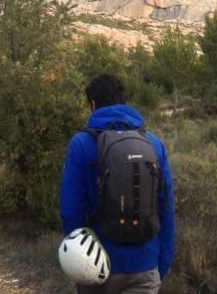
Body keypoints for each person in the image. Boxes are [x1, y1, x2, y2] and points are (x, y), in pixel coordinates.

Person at [60, 73, 175, 294]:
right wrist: (161, 265)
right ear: (125, 101)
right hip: (145, 263)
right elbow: (167, 209)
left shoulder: (81, 144)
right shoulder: (154, 144)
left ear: (93, 105)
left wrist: (79, 257)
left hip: (96, 265)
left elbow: (70, 210)